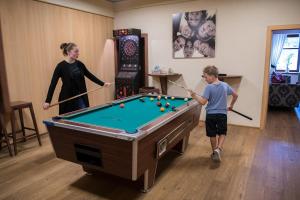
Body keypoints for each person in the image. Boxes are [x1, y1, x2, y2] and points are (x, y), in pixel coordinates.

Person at [43, 42, 111, 114]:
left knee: (84, 118)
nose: (78, 53)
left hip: (81, 98)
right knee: (67, 122)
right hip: (66, 99)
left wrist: (103, 84)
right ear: (69, 52)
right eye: (76, 51)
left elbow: (90, 76)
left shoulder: (80, 64)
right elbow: (53, 84)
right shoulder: (60, 66)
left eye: (78, 51)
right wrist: (48, 101)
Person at [188, 66, 238, 162]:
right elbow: (236, 95)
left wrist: (194, 96)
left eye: (206, 77)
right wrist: (231, 105)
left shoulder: (209, 87)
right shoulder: (225, 85)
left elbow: (203, 102)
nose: (205, 79)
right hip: (222, 114)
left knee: (212, 134)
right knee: (222, 132)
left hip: (211, 115)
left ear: (212, 76)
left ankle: (215, 152)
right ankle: (218, 149)